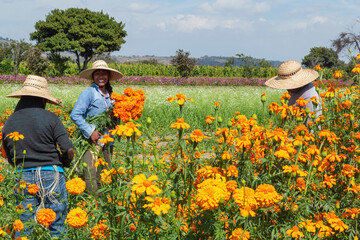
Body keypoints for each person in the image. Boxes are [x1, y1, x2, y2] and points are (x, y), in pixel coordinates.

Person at [2, 75, 74, 238]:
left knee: (24, 223)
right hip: (51, 174)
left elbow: (6, 152)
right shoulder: (51, 118)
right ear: (43, 100)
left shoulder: (10, 121)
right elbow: (68, 150)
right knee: (57, 222)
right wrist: (65, 163)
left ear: (22, 98)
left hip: (24, 177)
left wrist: (19, 165)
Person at [70, 60, 122, 194]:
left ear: (108, 76)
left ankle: (104, 205)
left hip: (108, 141)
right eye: (97, 73)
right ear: (93, 76)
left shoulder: (112, 96)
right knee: (91, 176)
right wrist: (91, 131)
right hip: (91, 142)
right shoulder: (89, 93)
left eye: (104, 73)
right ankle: (92, 205)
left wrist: (116, 118)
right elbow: (75, 115)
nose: (101, 76)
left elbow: (117, 120)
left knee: (105, 175)